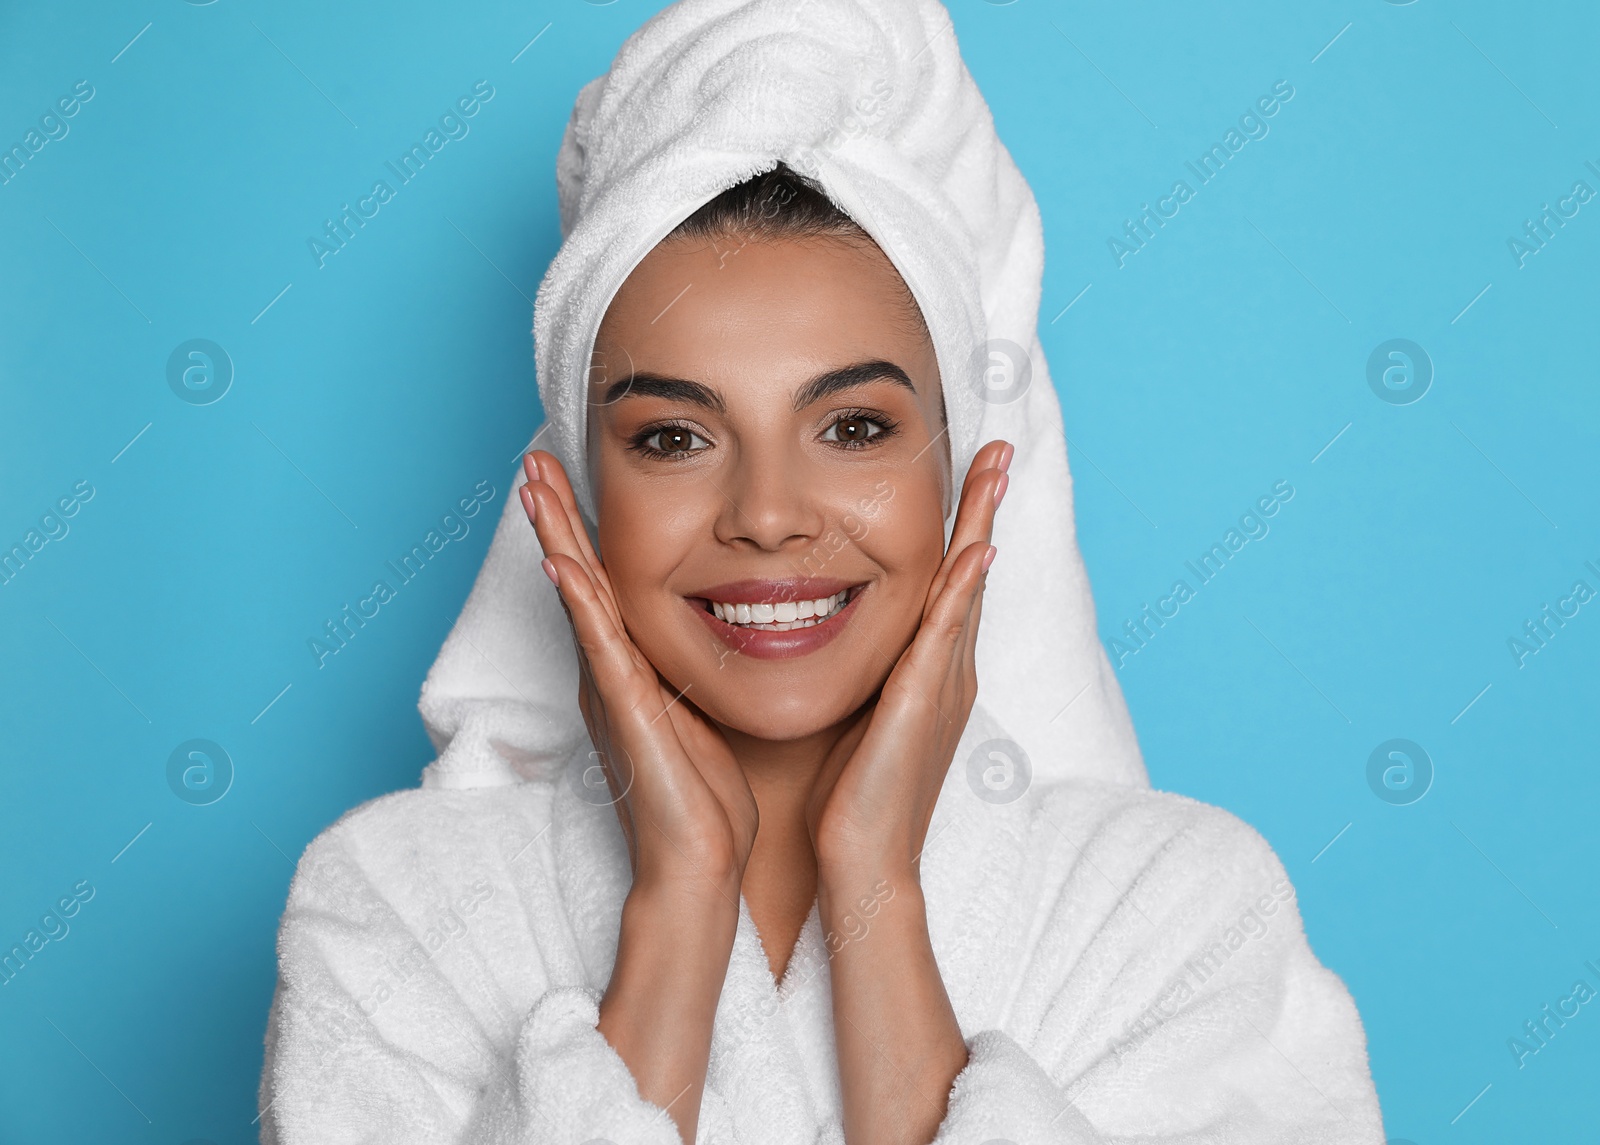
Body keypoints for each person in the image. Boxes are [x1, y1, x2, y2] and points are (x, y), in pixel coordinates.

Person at [259, 2, 1385, 1142]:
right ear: (574, 497)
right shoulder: (395, 906)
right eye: (672, 437)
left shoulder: (1181, 914)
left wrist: (878, 894)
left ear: (968, 483)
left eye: (851, 427)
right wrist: (677, 900)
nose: (766, 516)